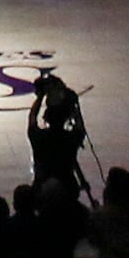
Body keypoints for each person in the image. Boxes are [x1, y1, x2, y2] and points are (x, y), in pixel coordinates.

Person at [27, 65, 90, 206]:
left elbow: (32, 117)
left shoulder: (39, 137)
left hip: (42, 188)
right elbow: (80, 127)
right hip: (67, 187)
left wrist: (40, 96)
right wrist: (73, 108)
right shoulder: (71, 139)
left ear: (46, 118)